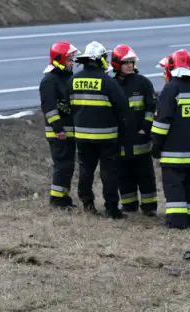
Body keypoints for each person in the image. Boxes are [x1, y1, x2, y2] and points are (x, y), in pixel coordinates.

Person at [68, 40, 130, 219]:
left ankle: (88, 204)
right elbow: (123, 108)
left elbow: (69, 104)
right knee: (109, 173)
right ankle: (112, 208)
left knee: (86, 170)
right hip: (106, 137)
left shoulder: (73, 80)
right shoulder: (107, 82)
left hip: (82, 136)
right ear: (101, 59)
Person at [150, 49, 190, 229]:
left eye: (164, 70)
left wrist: (156, 146)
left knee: (174, 185)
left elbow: (162, 123)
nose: (163, 74)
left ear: (171, 69)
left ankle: (177, 221)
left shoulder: (170, 89)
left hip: (172, 152)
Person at [110, 44, 158, 216]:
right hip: (120, 138)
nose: (130, 65)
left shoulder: (143, 83)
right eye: (126, 62)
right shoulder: (111, 84)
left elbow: (151, 108)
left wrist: (145, 128)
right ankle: (129, 205)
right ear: (117, 64)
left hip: (140, 138)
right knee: (123, 173)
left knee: (145, 174)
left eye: (131, 62)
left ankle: (149, 207)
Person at [39, 41, 79, 209]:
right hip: (58, 132)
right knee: (62, 166)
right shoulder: (50, 81)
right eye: (69, 59)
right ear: (59, 60)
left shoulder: (66, 77)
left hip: (68, 131)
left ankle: (64, 197)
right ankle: (57, 200)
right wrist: (58, 128)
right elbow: (49, 108)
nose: (72, 63)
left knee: (68, 166)